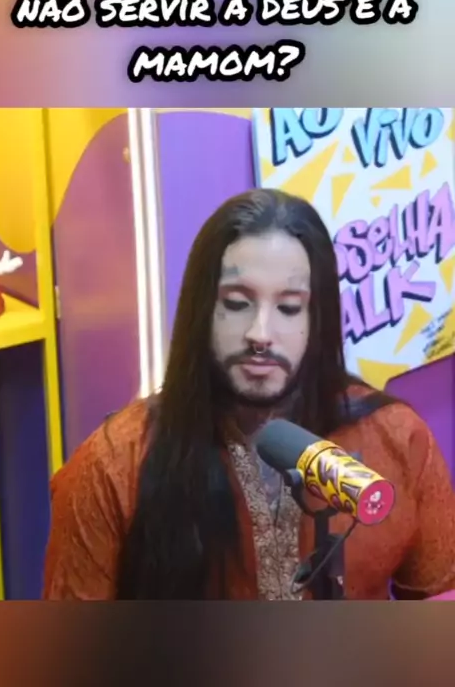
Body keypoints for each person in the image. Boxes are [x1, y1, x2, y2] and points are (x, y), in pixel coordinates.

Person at [43, 189, 455, 601]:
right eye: (237, 303)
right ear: (201, 311)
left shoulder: (397, 441)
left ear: (319, 318)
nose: (260, 333)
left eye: (289, 308)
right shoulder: (113, 466)